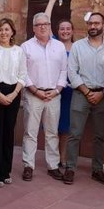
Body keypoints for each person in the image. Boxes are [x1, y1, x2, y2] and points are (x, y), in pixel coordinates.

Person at [65, 12, 104, 185]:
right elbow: (72, 72)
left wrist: (102, 93)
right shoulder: (78, 46)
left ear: (103, 24)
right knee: (75, 134)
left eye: (97, 23)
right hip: (81, 94)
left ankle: (97, 170)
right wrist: (87, 92)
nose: (93, 26)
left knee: (100, 136)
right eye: (90, 23)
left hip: (103, 95)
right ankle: (70, 168)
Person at [20, 13, 67, 182]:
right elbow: (23, 72)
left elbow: (64, 71)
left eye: (46, 24)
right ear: (33, 28)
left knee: (52, 132)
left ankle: (53, 166)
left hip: (54, 95)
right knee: (30, 132)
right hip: (33, 94)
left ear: (50, 26)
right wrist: (34, 90)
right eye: (39, 24)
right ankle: (28, 165)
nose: (43, 27)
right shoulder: (25, 47)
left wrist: (57, 90)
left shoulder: (59, 47)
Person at [0, 18, 27, 187]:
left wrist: (15, 93)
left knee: (9, 132)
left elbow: (23, 75)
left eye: (7, 29)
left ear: (12, 32)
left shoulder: (19, 51)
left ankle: (6, 171)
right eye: (1, 30)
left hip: (14, 92)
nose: (4, 33)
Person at [44, 0, 72, 167]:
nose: (65, 31)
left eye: (68, 29)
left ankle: (63, 157)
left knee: (66, 127)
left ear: (72, 31)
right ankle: (52, 158)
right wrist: (51, 1)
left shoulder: (77, 47)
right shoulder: (53, 43)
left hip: (70, 91)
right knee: (53, 126)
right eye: (62, 29)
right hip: (54, 90)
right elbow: (45, 20)